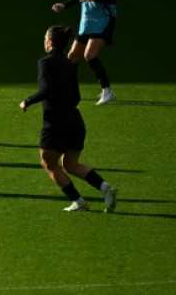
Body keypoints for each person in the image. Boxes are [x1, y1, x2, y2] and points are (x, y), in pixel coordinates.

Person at [20, 25, 119, 213]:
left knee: (49, 164)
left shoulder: (45, 63)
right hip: (75, 121)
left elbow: (46, 90)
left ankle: (80, 202)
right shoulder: (69, 64)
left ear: (50, 42)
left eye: (44, 38)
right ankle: (107, 188)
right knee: (71, 164)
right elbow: (76, 97)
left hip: (55, 124)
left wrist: (27, 101)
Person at [51, 0, 118, 105]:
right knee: (73, 55)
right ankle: (70, 89)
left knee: (89, 55)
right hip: (87, 22)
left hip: (103, 21)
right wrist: (64, 5)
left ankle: (107, 91)